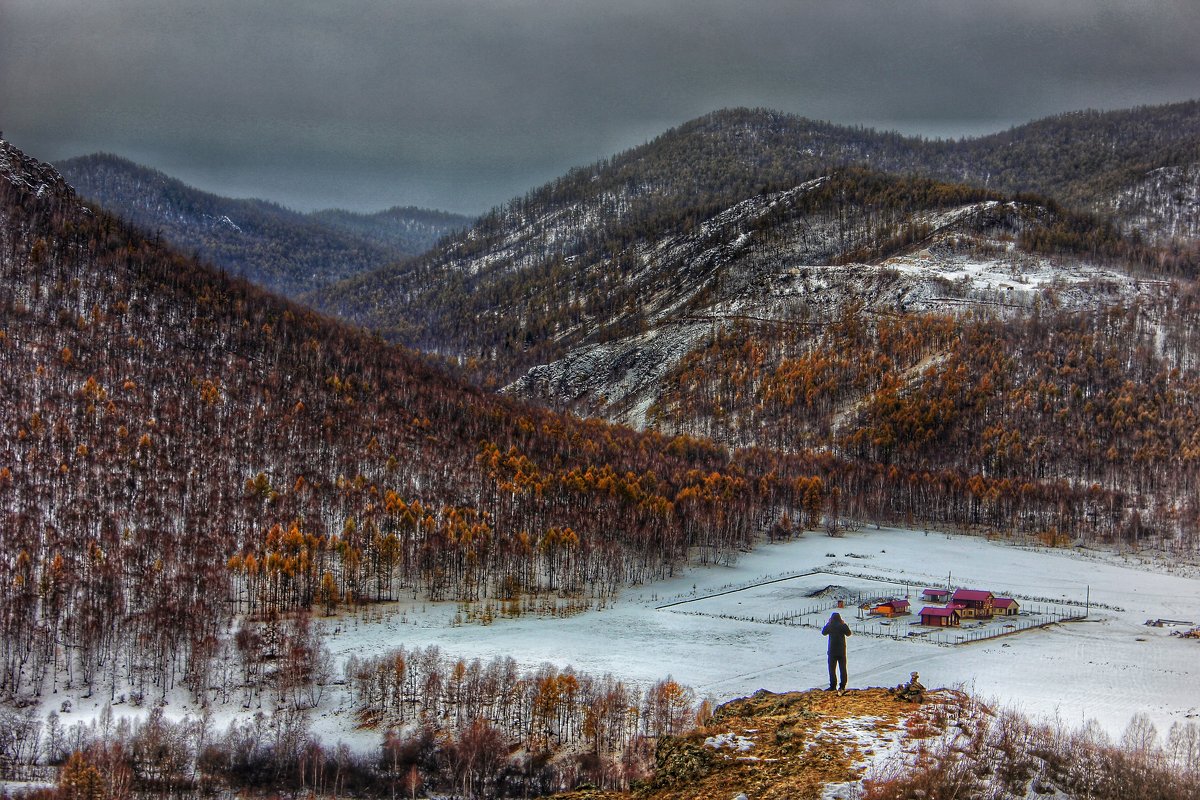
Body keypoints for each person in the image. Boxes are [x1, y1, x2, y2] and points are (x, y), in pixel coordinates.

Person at [822, 611, 852, 693]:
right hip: (841, 651)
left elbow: (823, 632)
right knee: (843, 669)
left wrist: (828, 623)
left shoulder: (830, 626)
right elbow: (849, 633)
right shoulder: (842, 626)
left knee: (832, 669)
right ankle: (842, 686)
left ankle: (833, 686)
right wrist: (844, 624)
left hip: (832, 651)